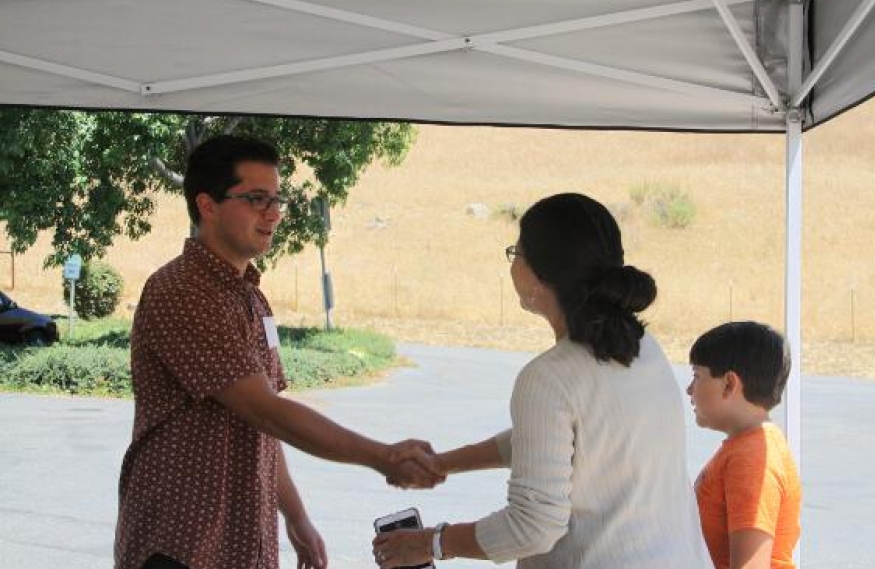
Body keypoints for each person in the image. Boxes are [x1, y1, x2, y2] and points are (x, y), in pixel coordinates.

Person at [114, 135, 443, 569]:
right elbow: (265, 410)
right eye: (255, 199)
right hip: (181, 545)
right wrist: (381, 456)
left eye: (275, 199)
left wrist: (296, 515)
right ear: (207, 205)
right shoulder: (182, 291)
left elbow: (266, 425)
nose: (273, 213)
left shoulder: (251, 297)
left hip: (242, 541)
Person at [371, 193, 712, 569]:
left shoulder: (547, 378)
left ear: (540, 278)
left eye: (516, 252)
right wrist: (444, 463)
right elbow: (555, 444)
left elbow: (532, 528)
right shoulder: (643, 348)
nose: (513, 261)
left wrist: (432, 543)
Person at [686, 321, 802, 569]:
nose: (689, 389)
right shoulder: (746, 448)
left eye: (697, 376)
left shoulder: (752, 458)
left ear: (729, 384)